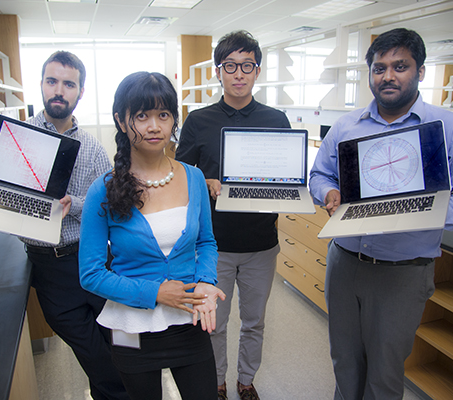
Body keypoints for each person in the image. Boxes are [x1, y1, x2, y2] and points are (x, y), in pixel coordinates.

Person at [309, 28, 453, 400]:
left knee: (385, 372)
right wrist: (329, 191)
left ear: (420, 71)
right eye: (379, 68)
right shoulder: (346, 126)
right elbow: (319, 174)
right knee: (344, 361)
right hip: (344, 264)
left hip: (403, 271)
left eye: (400, 66)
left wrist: (419, 213)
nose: (388, 76)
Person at [78, 71, 226, 400]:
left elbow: (206, 242)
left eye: (164, 115)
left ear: (174, 120)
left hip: (189, 319)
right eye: (141, 116)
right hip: (131, 327)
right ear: (121, 120)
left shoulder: (193, 177)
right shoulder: (102, 190)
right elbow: (90, 274)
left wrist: (205, 280)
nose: (154, 126)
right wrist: (156, 292)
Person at [175, 30, 291, 400]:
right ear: (218, 71)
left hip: (261, 242)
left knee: (254, 322)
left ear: (257, 71)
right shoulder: (199, 121)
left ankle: (246, 380)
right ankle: (218, 382)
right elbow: (179, 177)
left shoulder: (276, 120)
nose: (238, 74)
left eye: (247, 66)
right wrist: (204, 180)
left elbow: (288, 177)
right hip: (214, 245)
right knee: (215, 322)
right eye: (230, 66)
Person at [22, 51, 129, 400]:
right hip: (49, 266)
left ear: (80, 92)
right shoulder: (19, 139)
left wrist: (74, 204)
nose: (59, 90)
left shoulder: (93, 149)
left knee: (119, 344)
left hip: (91, 259)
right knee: (94, 354)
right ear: (40, 85)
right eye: (52, 81)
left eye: (69, 84)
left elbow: (108, 209)